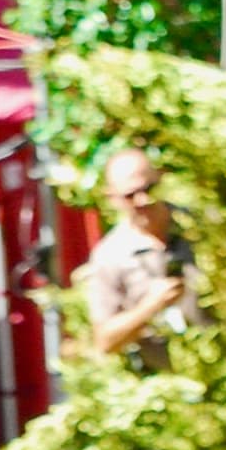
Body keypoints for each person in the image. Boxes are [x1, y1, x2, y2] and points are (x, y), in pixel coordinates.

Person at [73, 146, 203, 367]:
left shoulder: (199, 226)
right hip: (168, 384)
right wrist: (151, 306)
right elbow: (104, 341)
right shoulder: (110, 255)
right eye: (130, 195)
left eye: (149, 188)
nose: (143, 200)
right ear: (112, 197)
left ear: (160, 178)